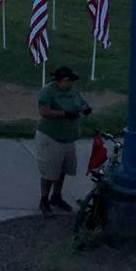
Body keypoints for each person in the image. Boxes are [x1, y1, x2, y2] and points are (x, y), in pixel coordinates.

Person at [35, 66, 91, 215]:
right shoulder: (49, 91)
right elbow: (43, 110)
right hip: (51, 138)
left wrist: (85, 108)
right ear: (62, 81)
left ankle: (57, 196)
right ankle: (44, 200)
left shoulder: (73, 91)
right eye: (70, 80)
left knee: (62, 170)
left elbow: (81, 102)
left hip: (68, 139)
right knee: (49, 172)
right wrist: (63, 114)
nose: (72, 83)